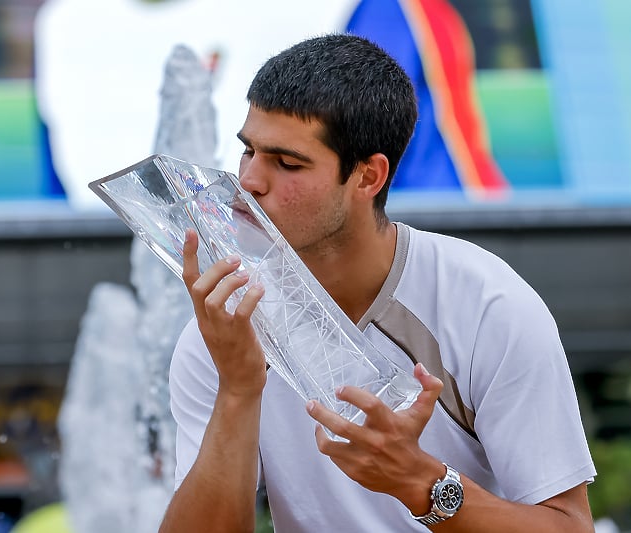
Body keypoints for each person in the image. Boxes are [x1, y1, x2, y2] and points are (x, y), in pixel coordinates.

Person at [159, 33, 596, 532]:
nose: (251, 182)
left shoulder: (486, 305)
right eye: (248, 152)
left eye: (287, 163)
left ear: (368, 177)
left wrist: (421, 483)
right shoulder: (225, 329)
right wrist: (238, 389)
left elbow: (570, 526)